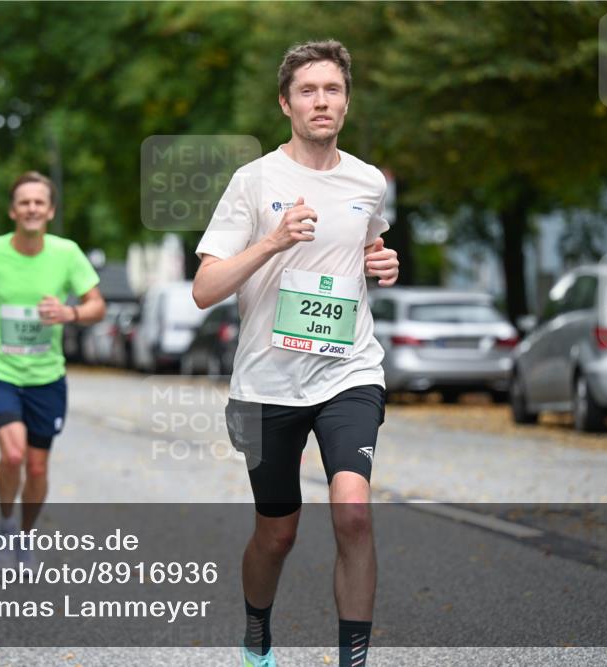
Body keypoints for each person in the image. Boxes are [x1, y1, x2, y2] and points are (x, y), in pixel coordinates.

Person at [191, 40, 400, 667]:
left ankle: (352, 660)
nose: (321, 101)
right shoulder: (254, 181)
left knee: (353, 512)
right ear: (286, 103)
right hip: (267, 384)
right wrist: (273, 242)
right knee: (277, 532)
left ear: (346, 100)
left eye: (332, 89)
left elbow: (367, 251)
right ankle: (257, 629)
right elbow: (205, 289)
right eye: (308, 91)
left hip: (349, 370)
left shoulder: (368, 181)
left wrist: (383, 262)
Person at [0, 171, 105, 568]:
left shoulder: (67, 253)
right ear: (12, 210)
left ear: (50, 210)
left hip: (47, 377)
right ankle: (4, 525)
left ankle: (24, 536)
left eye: (39, 202)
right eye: (24, 202)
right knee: (14, 453)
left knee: (37, 465)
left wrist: (69, 312)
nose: (32, 208)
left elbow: (97, 305)